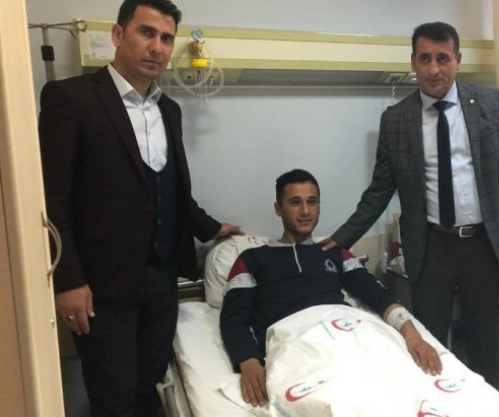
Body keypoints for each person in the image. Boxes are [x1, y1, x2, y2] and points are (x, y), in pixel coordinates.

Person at [38, 1, 242, 415]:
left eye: (166, 38)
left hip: (161, 280)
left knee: (148, 385)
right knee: (112, 397)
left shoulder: (169, 110)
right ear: (118, 35)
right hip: (101, 287)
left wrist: (212, 228)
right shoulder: (71, 99)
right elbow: (52, 199)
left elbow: (171, 188)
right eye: (146, 32)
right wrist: (68, 280)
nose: (157, 47)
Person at [320, 21, 499, 386]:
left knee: (486, 340)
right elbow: (379, 191)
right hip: (430, 249)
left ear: (457, 60)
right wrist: (341, 239)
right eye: (425, 59)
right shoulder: (396, 120)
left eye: (443, 58)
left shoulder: (489, 104)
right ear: (413, 61)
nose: (434, 69)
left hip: (483, 245)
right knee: (429, 342)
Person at [219, 169, 442, 407]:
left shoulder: (335, 253)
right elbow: (233, 316)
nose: (305, 211)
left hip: (345, 331)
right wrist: (248, 361)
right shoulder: (252, 259)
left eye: (312, 202)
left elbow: (376, 294)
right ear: (278, 208)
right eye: (295, 202)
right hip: (295, 341)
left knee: (394, 387)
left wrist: (411, 334)